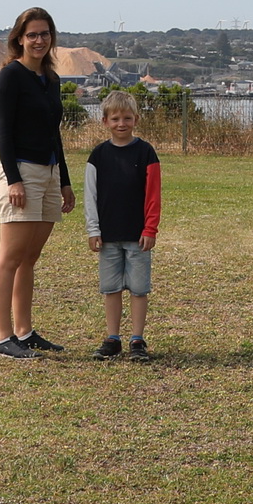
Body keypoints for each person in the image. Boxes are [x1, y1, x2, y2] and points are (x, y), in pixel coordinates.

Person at [0, 6, 74, 358]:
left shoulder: (50, 79)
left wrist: (65, 181)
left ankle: (24, 332)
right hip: (21, 172)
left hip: (50, 173)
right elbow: (3, 134)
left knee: (29, 259)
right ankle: (2, 338)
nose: (39, 40)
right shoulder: (11, 76)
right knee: (9, 257)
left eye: (45, 34)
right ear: (19, 39)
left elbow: (55, 135)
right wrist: (15, 180)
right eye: (32, 35)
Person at [81, 91, 162, 359]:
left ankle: (137, 340)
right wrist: (93, 230)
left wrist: (150, 229)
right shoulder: (98, 156)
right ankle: (112, 338)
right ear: (105, 121)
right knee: (111, 288)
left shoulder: (146, 152)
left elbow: (153, 195)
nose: (121, 123)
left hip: (138, 237)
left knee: (139, 289)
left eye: (127, 118)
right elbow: (89, 196)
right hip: (108, 236)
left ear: (136, 119)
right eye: (115, 118)